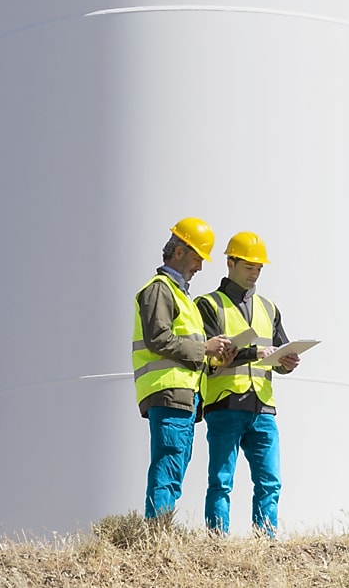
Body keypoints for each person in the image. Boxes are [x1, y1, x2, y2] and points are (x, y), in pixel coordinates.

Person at [132, 217, 238, 521]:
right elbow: (158, 339)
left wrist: (214, 357)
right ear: (178, 251)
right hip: (168, 392)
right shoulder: (158, 290)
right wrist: (204, 348)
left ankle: (160, 532)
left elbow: (184, 346)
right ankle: (157, 536)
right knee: (168, 466)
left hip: (183, 395)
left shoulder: (181, 296)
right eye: (197, 258)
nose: (200, 267)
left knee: (173, 468)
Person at [196, 231, 300, 537]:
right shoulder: (207, 305)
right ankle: (217, 541)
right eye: (248, 267)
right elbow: (212, 354)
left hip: (263, 408)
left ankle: (265, 542)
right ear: (230, 263)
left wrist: (287, 362)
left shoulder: (269, 308)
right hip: (225, 404)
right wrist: (254, 352)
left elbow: (279, 351)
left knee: (270, 482)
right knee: (221, 481)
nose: (254, 273)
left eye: (258, 268)